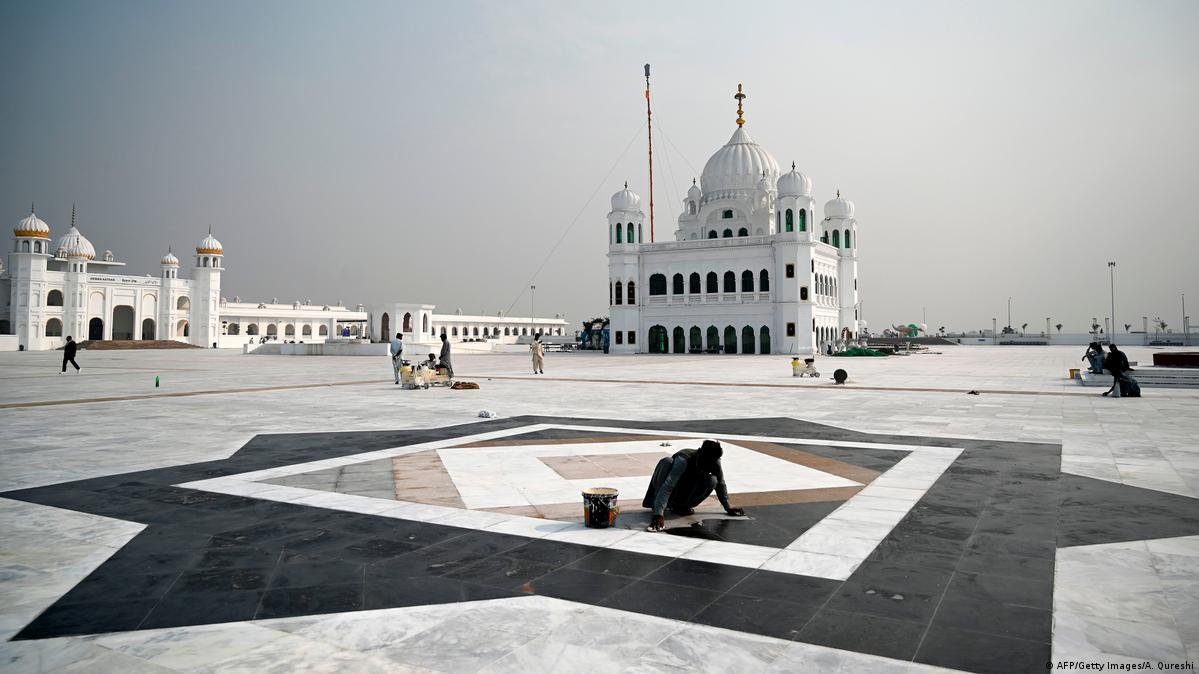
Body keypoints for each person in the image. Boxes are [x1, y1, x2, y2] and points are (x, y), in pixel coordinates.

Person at [643, 440, 745, 532]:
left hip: (686, 492)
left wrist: (728, 507)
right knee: (667, 462)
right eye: (705, 461)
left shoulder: (715, 462)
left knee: (713, 480)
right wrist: (658, 515)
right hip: (672, 490)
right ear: (699, 452)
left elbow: (721, 484)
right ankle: (656, 504)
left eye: (710, 463)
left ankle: (683, 506)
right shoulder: (683, 459)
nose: (706, 465)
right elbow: (668, 486)